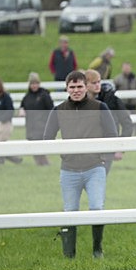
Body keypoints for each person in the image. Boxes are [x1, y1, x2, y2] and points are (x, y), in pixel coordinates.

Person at [43, 70, 118, 259]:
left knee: (97, 208)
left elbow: (112, 134)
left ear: (86, 87)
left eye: (79, 86)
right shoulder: (58, 110)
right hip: (69, 170)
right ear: (67, 88)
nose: (76, 90)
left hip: (95, 168)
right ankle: (69, 255)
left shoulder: (100, 107)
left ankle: (97, 250)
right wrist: (64, 153)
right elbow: (47, 137)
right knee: (70, 211)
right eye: (72, 87)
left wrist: (104, 157)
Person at [84, 69, 132, 174]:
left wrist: (120, 147)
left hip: (107, 148)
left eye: (98, 82)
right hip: (85, 149)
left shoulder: (111, 99)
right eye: (94, 83)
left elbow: (127, 122)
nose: (97, 85)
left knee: (99, 179)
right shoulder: (78, 102)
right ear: (86, 85)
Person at [18, 72, 54, 166]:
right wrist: (21, 110)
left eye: (36, 83)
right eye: (32, 83)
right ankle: (41, 165)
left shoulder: (44, 95)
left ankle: (45, 164)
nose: (34, 86)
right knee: (33, 148)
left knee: (39, 147)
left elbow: (51, 109)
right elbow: (22, 106)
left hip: (42, 125)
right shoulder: (27, 97)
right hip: (30, 126)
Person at [0, 77, 22, 165]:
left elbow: (10, 111)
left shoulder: (6, 97)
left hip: (4, 123)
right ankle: (15, 159)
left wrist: (2, 119)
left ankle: (1, 164)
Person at [112, 61, 136, 134]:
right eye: (125, 68)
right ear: (122, 68)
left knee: (135, 121)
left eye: (128, 67)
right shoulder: (118, 79)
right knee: (123, 121)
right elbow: (113, 92)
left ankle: (135, 134)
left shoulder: (134, 78)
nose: (127, 69)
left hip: (133, 105)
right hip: (122, 105)